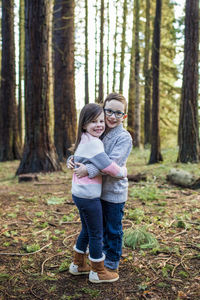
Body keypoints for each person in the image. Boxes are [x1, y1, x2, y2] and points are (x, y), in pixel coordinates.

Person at [69, 93, 132, 275]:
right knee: (98, 227)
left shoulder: (124, 137)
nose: (113, 116)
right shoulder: (97, 130)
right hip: (95, 192)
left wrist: (88, 170)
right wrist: (72, 160)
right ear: (103, 111)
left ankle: (111, 262)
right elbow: (84, 152)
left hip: (113, 191)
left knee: (113, 228)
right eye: (109, 111)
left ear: (124, 117)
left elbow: (112, 165)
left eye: (118, 113)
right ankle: (98, 258)